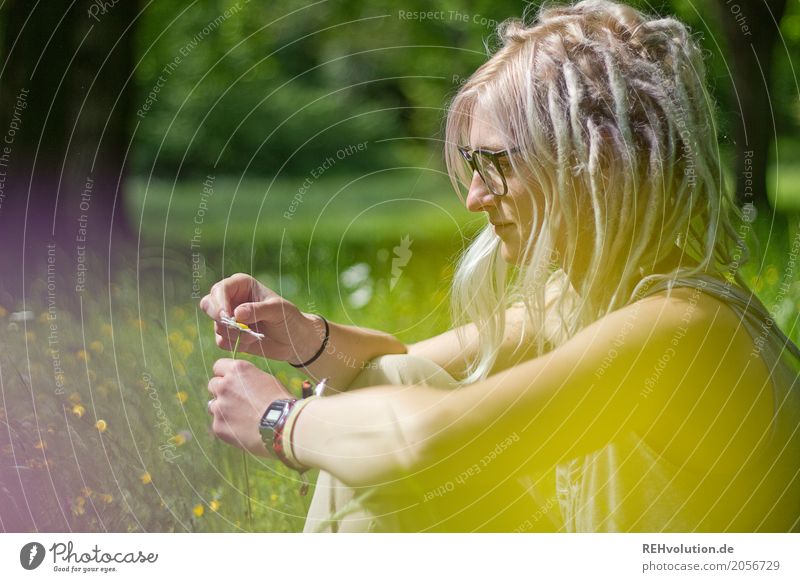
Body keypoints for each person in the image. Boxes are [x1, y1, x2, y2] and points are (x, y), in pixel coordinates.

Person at [200, 0, 800, 532]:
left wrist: (280, 421)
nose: (475, 198)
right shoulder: (585, 300)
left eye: (497, 165)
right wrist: (308, 337)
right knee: (390, 396)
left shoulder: (685, 332)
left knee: (386, 442)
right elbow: (395, 372)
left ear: (593, 166)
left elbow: (426, 441)